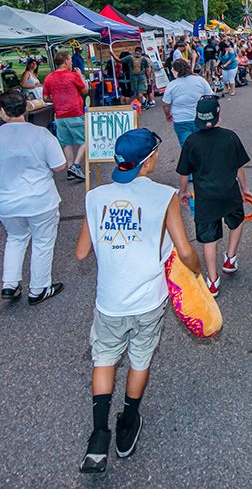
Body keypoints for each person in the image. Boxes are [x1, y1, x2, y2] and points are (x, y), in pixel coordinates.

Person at [76, 128, 201, 474]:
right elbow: (185, 250)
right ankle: (129, 419)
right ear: (149, 160)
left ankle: (99, 435)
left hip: (109, 300)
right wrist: (197, 272)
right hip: (148, 298)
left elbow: (82, 252)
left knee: (103, 359)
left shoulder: (95, 196)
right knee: (139, 358)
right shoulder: (163, 196)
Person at [0, 90, 67, 303]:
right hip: (41, 199)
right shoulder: (41, 134)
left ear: (2, 112)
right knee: (42, 241)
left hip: (7, 202)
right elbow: (60, 166)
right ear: (25, 108)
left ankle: (10, 284)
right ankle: (39, 288)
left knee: (15, 238)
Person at [177, 96, 252, 297]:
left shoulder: (191, 142)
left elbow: (184, 172)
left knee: (209, 240)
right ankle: (230, 257)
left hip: (205, 198)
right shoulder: (230, 137)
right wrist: (245, 189)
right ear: (218, 116)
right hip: (229, 192)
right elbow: (239, 167)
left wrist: (183, 191)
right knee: (237, 221)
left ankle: (212, 280)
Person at [43, 49, 89, 181]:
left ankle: (70, 169)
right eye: (70, 60)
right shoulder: (72, 76)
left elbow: (45, 98)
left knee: (66, 143)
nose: (71, 63)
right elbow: (85, 91)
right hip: (74, 112)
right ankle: (75, 165)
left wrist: (57, 99)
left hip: (60, 116)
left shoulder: (48, 78)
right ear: (65, 62)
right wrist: (80, 75)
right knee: (86, 139)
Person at [161, 59, 213, 150]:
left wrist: (168, 115)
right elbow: (211, 97)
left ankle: (191, 163)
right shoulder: (200, 80)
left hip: (181, 120)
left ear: (176, 71)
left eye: (173, 70)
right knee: (203, 145)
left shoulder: (172, 85)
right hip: (200, 117)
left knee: (187, 147)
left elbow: (165, 104)